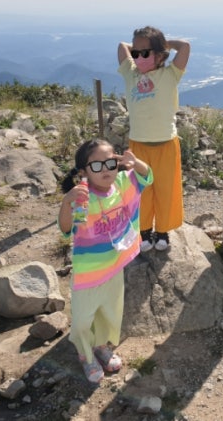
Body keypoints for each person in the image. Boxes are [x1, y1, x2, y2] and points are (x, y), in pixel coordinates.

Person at [58, 139, 153, 384]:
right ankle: (86, 356)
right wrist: (67, 202)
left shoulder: (122, 184)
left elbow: (147, 177)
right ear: (83, 172)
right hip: (88, 274)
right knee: (81, 321)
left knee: (108, 313)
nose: (106, 170)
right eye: (97, 165)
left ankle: (100, 346)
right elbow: (66, 229)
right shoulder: (82, 197)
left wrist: (135, 163)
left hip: (113, 268)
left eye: (110, 163)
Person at [117, 25, 191, 252]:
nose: (139, 57)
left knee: (166, 191)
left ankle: (163, 232)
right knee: (141, 192)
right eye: (137, 53)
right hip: (138, 145)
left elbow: (185, 47)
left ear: (160, 55)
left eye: (146, 53)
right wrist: (142, 48)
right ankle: (144, 231)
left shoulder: (170, 74)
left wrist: (162, 45)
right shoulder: (131, 72)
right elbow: (122, 47)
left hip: (166, 144)